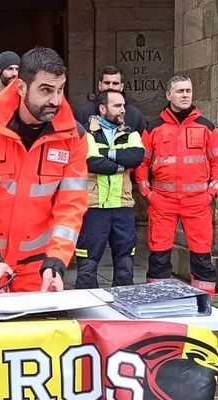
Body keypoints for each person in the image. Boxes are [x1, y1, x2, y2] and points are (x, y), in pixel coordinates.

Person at [0, 47, 89, 293]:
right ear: (21, 88)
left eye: (60, 90)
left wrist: (57, 263)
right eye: (46, 90)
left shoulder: (74, 136)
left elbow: (71, 205)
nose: (56, 100)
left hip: (37, 270)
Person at [134, 76, 218, 295]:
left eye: (188, 91)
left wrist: (212, 192)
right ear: (168, 95)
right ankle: (159, 299)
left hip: (198, 201)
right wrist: (148, 193)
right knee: (159, 255)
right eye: (180, 91)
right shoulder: (154, 128)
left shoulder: (206, 127)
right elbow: (141, 163)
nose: (185, 95)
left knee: (202, 255)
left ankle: (204, 301)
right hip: (162, 201)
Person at [75, 90, 144, 288]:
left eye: (123, 105)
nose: (123, 110)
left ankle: (122, 309)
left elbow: (136, 157)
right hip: (94, 207)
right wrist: (121, 165)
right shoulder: (85, 133)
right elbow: (92, 162)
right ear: (102, 109)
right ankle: (86, 307)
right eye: (117, 106)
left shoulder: (131, 133)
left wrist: (107, 155)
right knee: (88, 262)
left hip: (122, 205)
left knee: (125, 262)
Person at [74, 65, 147, 133]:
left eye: (115, 83)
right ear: (100, 85)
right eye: (107, 83)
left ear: (121, 87)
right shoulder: (82, 113)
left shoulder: (136, 116)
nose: (110, 87)